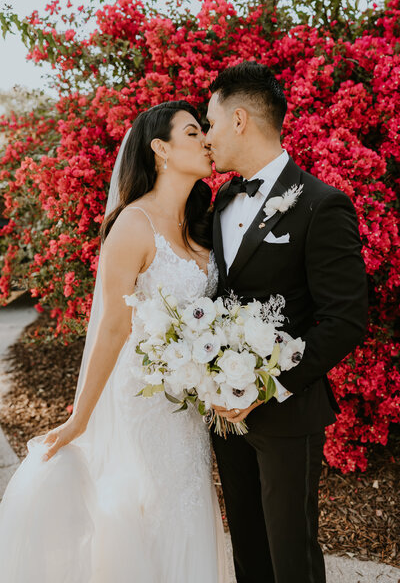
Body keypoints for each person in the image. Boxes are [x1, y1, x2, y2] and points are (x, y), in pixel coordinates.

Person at [0, 100, 230, 583]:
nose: (206, 140)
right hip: (145, 401)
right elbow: (112, 326)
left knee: (189, 504)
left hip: (188, 403)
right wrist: (78, 418)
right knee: (154, 509)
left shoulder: (203, 226)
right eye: (193, 132)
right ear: (160, 149)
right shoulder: (132, 224)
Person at [205, 61, 368, 583]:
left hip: (288, 414)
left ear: (238, 120)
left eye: (209, 122)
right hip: (226, 417)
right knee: (248, 552)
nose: (206, 136)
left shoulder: (322, 205)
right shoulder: (222, 200)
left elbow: (345, 321)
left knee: (291, 556)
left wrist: (267, 385)